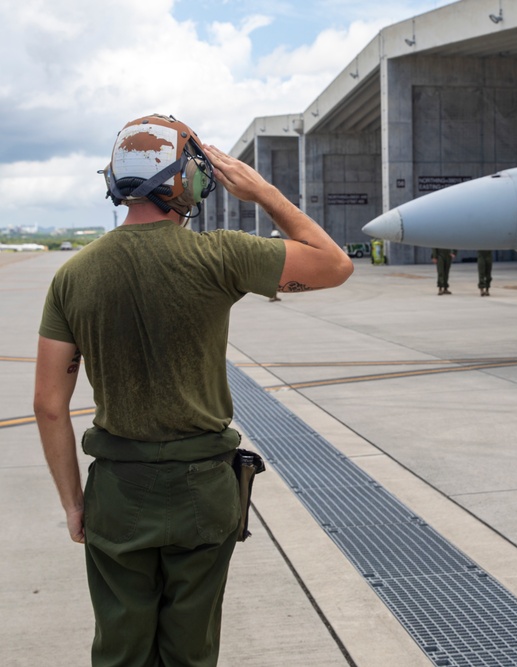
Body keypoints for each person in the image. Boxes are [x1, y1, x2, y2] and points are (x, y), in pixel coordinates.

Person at [33, 114, 353, 667]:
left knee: (119, 650)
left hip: (118, 494)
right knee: (191, 650)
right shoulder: (219, 256)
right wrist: (264, 192)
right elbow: (335, 265)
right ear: (186, 181)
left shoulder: (73, 276)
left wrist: (73, 504)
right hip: (202, 492)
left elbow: (48, 406)